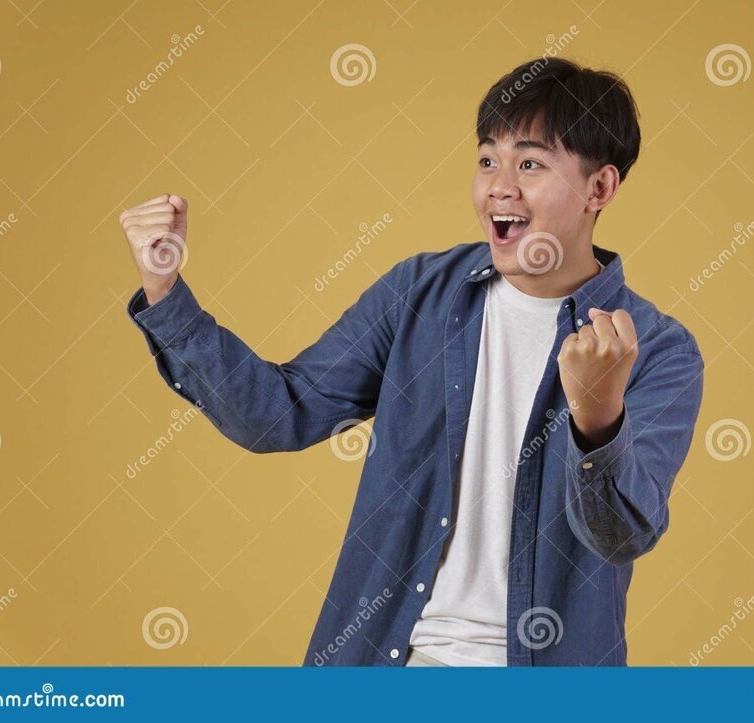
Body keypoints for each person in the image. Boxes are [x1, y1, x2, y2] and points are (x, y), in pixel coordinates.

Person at [119, 57, 705, 667]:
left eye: (530, 163)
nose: (499, 186)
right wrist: (165, 292)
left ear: (600, 188)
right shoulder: (419, 295)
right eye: (487, 160)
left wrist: (599, 417)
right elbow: (276, 416)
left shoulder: (659, 351)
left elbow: (621, 537)